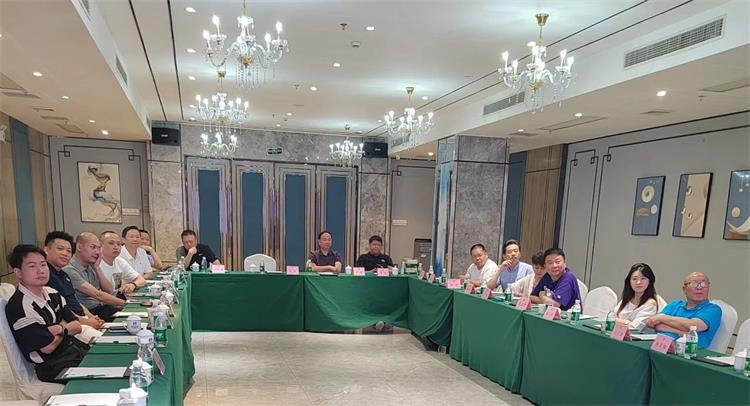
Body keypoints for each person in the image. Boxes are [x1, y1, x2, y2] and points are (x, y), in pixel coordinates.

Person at [5, 244, 88, 382]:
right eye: (32, 266)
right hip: (54, 366)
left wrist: (60, 329)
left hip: (74, 351)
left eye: (43, 265)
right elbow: (47, 347)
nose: (40, 270)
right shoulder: (20, 306)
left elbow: (77, 326)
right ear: (18, 272)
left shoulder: (52, 293)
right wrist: (65, 327)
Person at [43, 231, 104, 341]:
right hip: (70, 326)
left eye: (68, 251)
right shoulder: (45, 277)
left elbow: (75, 301)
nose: (65, 253)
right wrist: (87, 322)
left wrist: (92, 317)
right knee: (107, 342)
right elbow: (61, 311)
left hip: (82, 320)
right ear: (46, 250)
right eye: (60, 249)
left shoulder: (63, 274)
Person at [645, 272, 722, 348]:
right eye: (694, 284)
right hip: (659, 345)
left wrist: (662, 318)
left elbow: (692, 327)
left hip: (688, 351)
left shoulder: (713, 309)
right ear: (684, 289)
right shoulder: (675, 304)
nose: (699, 287)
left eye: (704, 284)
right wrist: (679, 331)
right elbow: (653, 323)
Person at [64, 232, 125, 322]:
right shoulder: (69, 269)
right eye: (93, 247)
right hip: (88, 313)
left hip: (101, 307)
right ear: (79, 247)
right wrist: (125, 303)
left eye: (99, 248)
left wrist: (97, 268)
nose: (97, 252)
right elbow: (98, 295)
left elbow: (109, 290)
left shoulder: (91, 266)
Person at [614, 263, 659, 330]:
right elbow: (611, 317)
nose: (638, 282)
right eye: (634, 279)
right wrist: (627, 322)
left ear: (650, 281)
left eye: (643, 279)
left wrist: (617, 321)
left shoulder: (650, 303)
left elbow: (635, 327)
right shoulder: (627, 299)